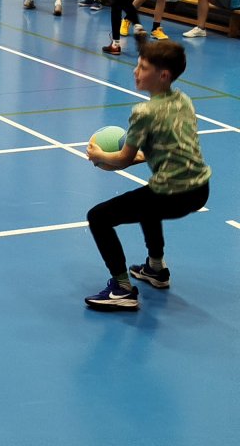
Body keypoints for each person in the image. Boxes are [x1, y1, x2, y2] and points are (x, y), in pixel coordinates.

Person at [84, 35, 211, 311]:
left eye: (143, 67)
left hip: (173, 193)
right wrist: (138, 157)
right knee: (146, 201)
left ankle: (122, 289)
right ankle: (155, 268)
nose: (135, 71)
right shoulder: (183, 100)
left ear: (163, 75)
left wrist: (99, 156)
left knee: (98, 217)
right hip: (200, 189)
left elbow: (122, 159)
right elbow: (171, 148)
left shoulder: (144, 112)